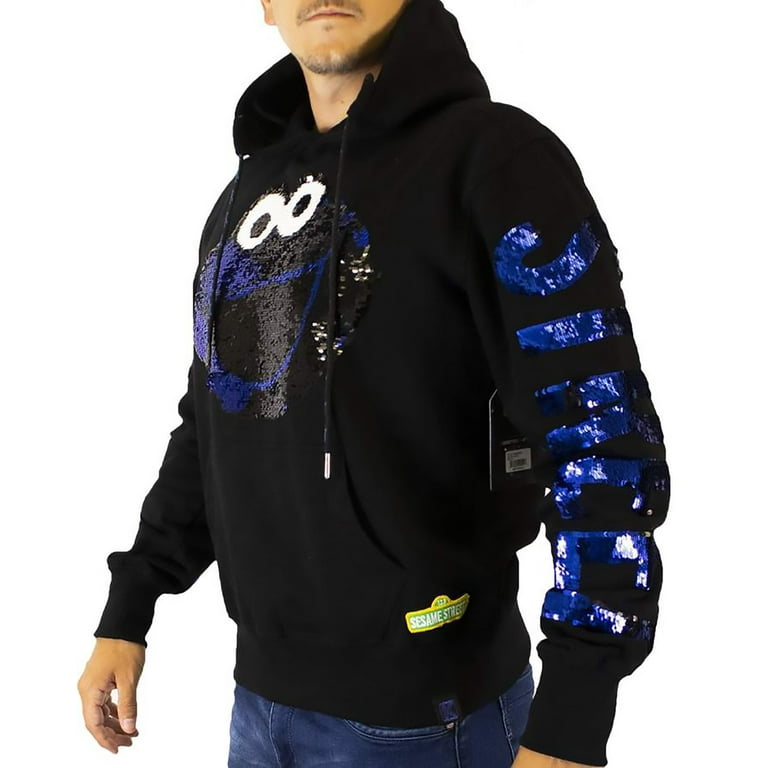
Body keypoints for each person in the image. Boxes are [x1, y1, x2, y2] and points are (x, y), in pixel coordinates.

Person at [77, 1, 670, 766]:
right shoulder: (248, 198)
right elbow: (215, 417)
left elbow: (599, 434)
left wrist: (572, 720)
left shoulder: (496, 161)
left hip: (432, 719)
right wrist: (130, 605)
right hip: (259, 709)